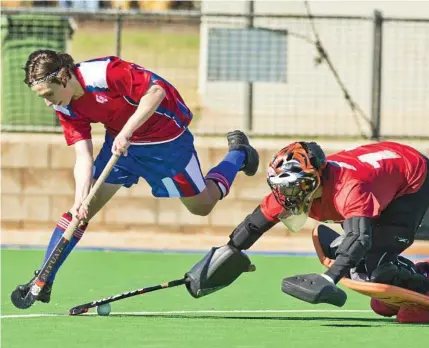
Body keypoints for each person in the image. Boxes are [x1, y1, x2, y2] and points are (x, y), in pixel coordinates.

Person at [13, 50, 259, 304]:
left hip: (165, 141)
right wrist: (79, 201)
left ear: (64, 77)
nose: (48, 102)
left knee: (202, 205)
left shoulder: (104, 73)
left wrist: (127, 131)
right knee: (83, 210)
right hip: (122, 145)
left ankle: (239, 154)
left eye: (48, 94)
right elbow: (83, 156)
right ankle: (44, 278)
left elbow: (156, 91)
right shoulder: (64, 107)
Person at [193, 140, 429, 322]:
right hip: (382, 178)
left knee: (374, 263)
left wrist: (330, 278)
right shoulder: (291, 188)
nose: (289, 196)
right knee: (363, 262)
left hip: (413, 180)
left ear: (317, 176)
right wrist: (229, 250)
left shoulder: (349, 189)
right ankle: (385, 268)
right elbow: (256, 222)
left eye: (298, 186)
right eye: (283, 188)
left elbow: (359, 237)